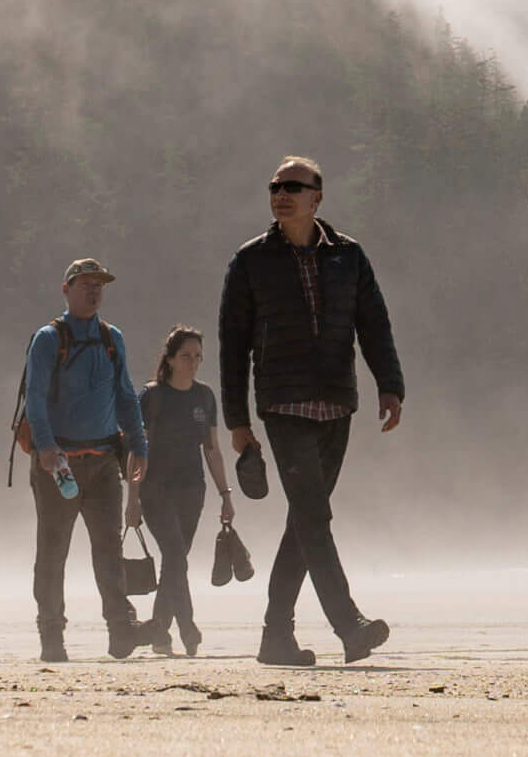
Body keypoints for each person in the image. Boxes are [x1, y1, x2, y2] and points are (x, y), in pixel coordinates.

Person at [218, 156, 406, 666]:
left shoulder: (349, 257)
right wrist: (237, 420)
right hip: (282, 405)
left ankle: (275, 637)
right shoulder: (251, 261)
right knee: (314, 516)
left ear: (316, 198)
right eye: (275, 186)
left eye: (293, 187)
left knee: (304, 521)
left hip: (337, 403)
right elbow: (231, 345)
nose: (281, 194)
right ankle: (350, 625)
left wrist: (390, 384)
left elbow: (374, 323)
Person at [20, 257, 151, 662]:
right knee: (53, 551)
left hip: (103, 463)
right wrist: (44, 447)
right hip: (58, 464)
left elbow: (126, 397)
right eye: (85, 284)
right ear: (66, 289)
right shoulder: (48, 338)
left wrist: (140, 446)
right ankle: (52, 636)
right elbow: (35, 399)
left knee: (108, 548)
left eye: (99, 284)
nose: (93, 290)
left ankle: (119, 629)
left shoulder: (113, 339)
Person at [125, 324, 233, 656]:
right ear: (170, 359)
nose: (193, 362)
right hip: (155, 489)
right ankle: (186, 625)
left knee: (175, 561)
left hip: (192, 490)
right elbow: (136, 448)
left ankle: (159, 632)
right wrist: (132, 498)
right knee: (174, 556)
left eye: (198, 357)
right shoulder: (152, 395)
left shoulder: (204, 396)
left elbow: (212, 449)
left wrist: (225, 495)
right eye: (186, 356)